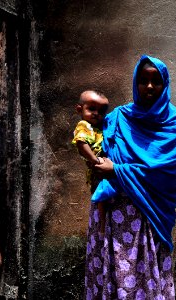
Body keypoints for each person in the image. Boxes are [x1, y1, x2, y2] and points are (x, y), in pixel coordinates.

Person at [84, 55, 176, 300]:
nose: (149, 86)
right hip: (112, 215)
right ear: (135, 83)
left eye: (156, 81)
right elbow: (96, 150)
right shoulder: (118, 118)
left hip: (148, 215)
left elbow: (167, 172)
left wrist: (117, 170)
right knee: (112, 276)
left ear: (165, 85)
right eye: (143, 80)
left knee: (142, 278)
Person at [72, 90, 109, 234]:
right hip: (97, 167)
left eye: (101, 111)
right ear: (79, 109)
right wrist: (95, 160)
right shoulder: (83, 125)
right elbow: (81, 143)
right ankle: (102, 225)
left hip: (101, 164)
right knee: (101, 194)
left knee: (103, 192)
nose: (96, 113)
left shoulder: (96, 127)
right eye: (92, 109)